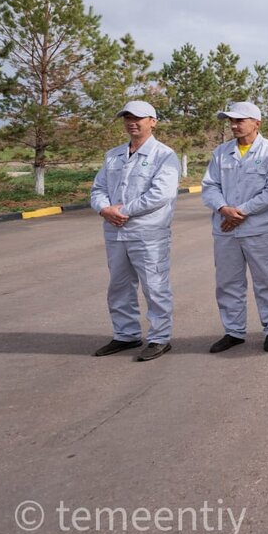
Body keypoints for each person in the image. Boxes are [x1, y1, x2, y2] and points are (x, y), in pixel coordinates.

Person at [89, 101, 180, 362]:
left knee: (155, 285)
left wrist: (123, 210)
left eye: (138, 117)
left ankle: (160, 337)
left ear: (153, 121)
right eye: (127, 117)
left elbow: (160, 195)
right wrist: (104, 209)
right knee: (118, 286)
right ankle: (125, 334)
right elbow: (98, 188)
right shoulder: (113, 155)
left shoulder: (164, 155)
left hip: (148, 232)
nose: (132, 122)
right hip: (115, 231)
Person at [200, 101, 268, 354]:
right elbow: (210, 186)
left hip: (258, 228)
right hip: (225, 228)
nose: (234, 125)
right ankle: (234, 331)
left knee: (266, 281)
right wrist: (223, 209)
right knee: (228, 282)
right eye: (231, 121)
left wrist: (242, 211)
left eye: (240, 120)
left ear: (256, 123)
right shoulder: (221, 152)